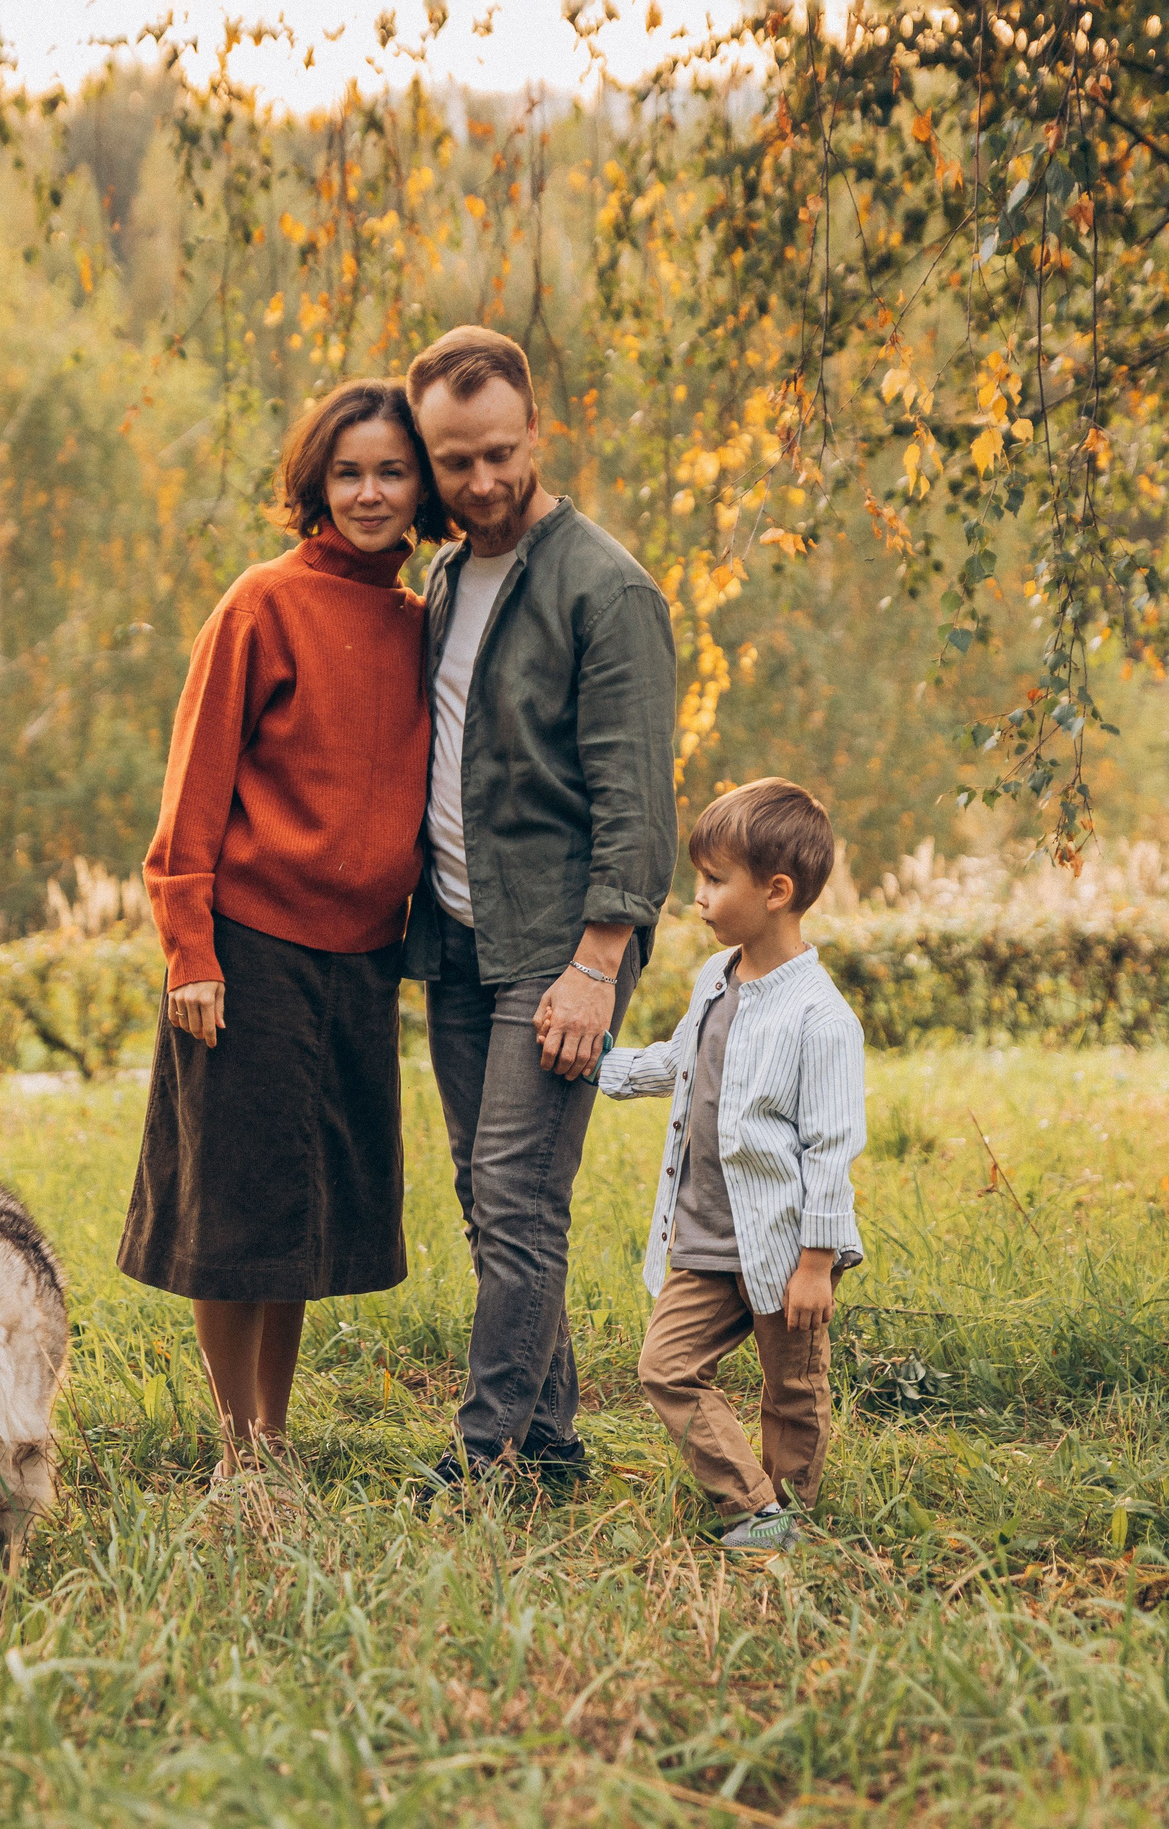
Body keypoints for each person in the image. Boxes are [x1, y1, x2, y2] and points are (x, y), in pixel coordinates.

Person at [118, 379, 447, 1483]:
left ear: (422, 488)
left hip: (361, 960)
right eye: (348, 472)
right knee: (236, 1210)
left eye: (391, 472)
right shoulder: (261, 601)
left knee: (299, 1212)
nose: (370, 493)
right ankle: (236, 1448)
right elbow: (193, 786)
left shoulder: (422, 624)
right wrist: (190, 948)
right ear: (317, 482)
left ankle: (274, 1434)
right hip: (248, 948)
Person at [402, 326, 679, 1493]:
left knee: (518, 1196)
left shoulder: (604, 588)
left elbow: (637, 800)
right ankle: (552, 1444)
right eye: (454, 460)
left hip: (562, 941)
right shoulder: (444, 579)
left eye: (499, 453)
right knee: (487, 1194)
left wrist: (595, 962)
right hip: (459, 933)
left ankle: (486, 1453)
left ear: (536, 432)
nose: (480, 481)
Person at [600, 779, 867, 1552]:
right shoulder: (715, 979)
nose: (699, 896)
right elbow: (682, 1061)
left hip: (785, 1246)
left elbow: (831, 1149)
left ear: (776, 891)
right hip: (706, 1236)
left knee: (792, 1391)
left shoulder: (821, 1017)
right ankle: (753, 1507)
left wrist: (815, 1263)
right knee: (666, 1366)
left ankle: (788, 1516)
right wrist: (604, 1067)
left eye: (716, 880)